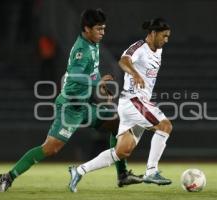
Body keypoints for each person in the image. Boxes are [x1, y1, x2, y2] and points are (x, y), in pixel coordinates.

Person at [0, 8, 143, 192]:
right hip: (71, 107)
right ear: (86, 28)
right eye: (99, 29)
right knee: (50, 148)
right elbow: (75, 78)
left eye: (103, 29)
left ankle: (122, 175)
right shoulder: (82, 51)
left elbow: (93, 71)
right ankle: (8, 176)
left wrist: (99, 83)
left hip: (85, 104)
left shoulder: (93, 44)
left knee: (117, 124)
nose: (102, 33)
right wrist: (95, 88)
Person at [68, 18, 172, 193]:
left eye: (168, 36)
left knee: (121, 151)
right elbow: (124, 61)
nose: (166, 40)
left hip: (134, 102)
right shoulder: (139, 47)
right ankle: (151, 171)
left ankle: (79, 170)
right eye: (164, 36)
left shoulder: (158, 50)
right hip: (134, 101)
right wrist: (135, 74)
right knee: (165, 126)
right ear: (153, 33)